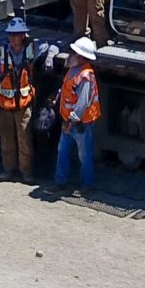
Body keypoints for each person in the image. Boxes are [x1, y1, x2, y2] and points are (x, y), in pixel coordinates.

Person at [52, 37, 102, 190]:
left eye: (73, 52)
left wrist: (71, 121)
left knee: (84, 156)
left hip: (79, 123)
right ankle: (60, 182)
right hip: (70, 121)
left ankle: (87, 184)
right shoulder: (74, 70)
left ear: (80, 56)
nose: (70, 54)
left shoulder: (85, 76)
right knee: (63, 152)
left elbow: (82, 104)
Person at [0, 17, 38, 181]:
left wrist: (49, 57)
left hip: (23, 105)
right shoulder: (1, 53)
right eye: (10, 35)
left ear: (23, 36)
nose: (12, 38)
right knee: (6, 141)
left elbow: (50, 46)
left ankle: (26, 172)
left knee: (24, 139)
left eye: (16, 34)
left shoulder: (31, 50)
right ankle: (8, 170)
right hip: (4, 106)